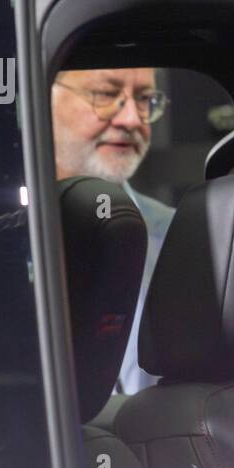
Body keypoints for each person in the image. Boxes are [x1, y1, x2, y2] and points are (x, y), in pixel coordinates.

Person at [51, 67, 172, 394]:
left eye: (145, 99)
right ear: (41, 96)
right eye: (106, 94)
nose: (132, 119)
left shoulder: (182, 240)